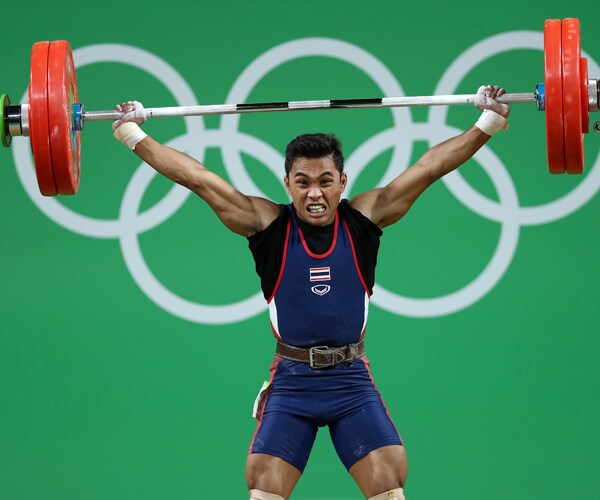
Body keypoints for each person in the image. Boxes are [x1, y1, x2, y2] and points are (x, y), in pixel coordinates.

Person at [112, 85, 509, 500]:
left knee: (390, 485)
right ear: (287, 183)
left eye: (324, 181)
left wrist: (487, 123)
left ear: (343, 182)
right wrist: (134, 136)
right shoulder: (266, 225)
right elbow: (199, 179)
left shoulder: (364, 218)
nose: (314, 193)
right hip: (292, 383)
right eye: (302, 182)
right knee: (262, 490)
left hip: (351, 382)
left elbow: (429, 168)